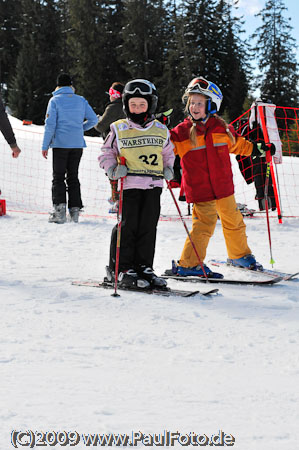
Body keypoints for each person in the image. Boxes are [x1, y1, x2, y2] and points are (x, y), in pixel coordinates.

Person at [169, 77, 275, 278]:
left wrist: (259, 149)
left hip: (224, 189)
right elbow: (166, 148)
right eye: (191, 102)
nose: (194, 106)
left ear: (211, 104)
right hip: (201, 191)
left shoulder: (221, 127)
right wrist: (159, 133)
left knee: (234, 222)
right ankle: (189, 264)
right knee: (203, 227)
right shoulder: (182, 132)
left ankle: (239, 255)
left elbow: (239, 145)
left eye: (200, 102)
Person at [99, 79, 175, 289]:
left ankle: (144, 266)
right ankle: (121, 269)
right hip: (129, 185)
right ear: (126, 105)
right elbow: (106, 153)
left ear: (150, 104)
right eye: (133, 104)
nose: (138, 109)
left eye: (142, 104)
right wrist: (113, 169)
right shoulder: (118, 128)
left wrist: (169, 168)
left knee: (148, 227)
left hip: (153, 186)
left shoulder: (161, 129)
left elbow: (168, 152)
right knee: (128, 227)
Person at [42, 73, 98, 224]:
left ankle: (59, 212)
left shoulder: (54, 101)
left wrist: (45, 145)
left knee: (58, 177)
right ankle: (75, 212)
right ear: (71, 85)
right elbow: (94, 119)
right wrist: (80, 129)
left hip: (60, 145)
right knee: (73, 176)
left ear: (58, 86)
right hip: (77, 145)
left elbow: (50, 125)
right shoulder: (81, 100)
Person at [94, 82, 125, 214]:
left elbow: (101, 126)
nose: (110, 96)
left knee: (113, 171)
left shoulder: (113, 108)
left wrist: (97, 120)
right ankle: (116, 197)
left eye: (112, 93)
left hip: (114, 144)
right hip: (125, 144)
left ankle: (118, 200)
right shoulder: (127, 105)